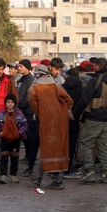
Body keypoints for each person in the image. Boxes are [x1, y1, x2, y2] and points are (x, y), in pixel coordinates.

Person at [72, 57, 107, 184]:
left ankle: (90, 172)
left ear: (97, 66)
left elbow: (85, 98)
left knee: (86, 144)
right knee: (103, 146)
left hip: (94, 116)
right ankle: (105, 173)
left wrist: (76, 114)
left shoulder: (95, 80)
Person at [29, 60, 74, 190]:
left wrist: (40, 113)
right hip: (60, 122)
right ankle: (56, 179)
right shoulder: (55, 85)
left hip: (46, 122)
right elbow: (68, 99)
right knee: (57, 149)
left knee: (45, 149)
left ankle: (39, 177)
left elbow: (32, 102)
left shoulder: (35, 87)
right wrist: (65, 111)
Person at [0, 93, 28, 184]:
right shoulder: (0, 114)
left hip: (16, 139)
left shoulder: (19, 114)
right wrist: (0, 132)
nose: (10, 104)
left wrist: (19, 133)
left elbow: (24, 125)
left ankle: (13, 175)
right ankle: (3, 175)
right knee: (3, 157)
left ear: (15, 103)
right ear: (5, 103)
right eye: (8, 102)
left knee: (14, 158)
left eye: (12, 102)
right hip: (4, 138)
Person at [15, 60, 38, 175]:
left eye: (21, 66)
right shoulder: (20, 80)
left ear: (27, 68)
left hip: (28, 111)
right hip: (20, 111)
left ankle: (30, 157)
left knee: (29, 135)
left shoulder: (31, 80)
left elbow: (29, 96)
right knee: (24, 135)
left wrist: (21, 105)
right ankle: (28, 155)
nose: (19, 68)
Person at [62, 67, 85, 178]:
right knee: (73, 145)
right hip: (75, 119)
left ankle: (59, 168)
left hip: (62, 119)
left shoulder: (62, 87)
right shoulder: (81, 88)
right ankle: (69, 169)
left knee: (62, 144)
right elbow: (83, 103)